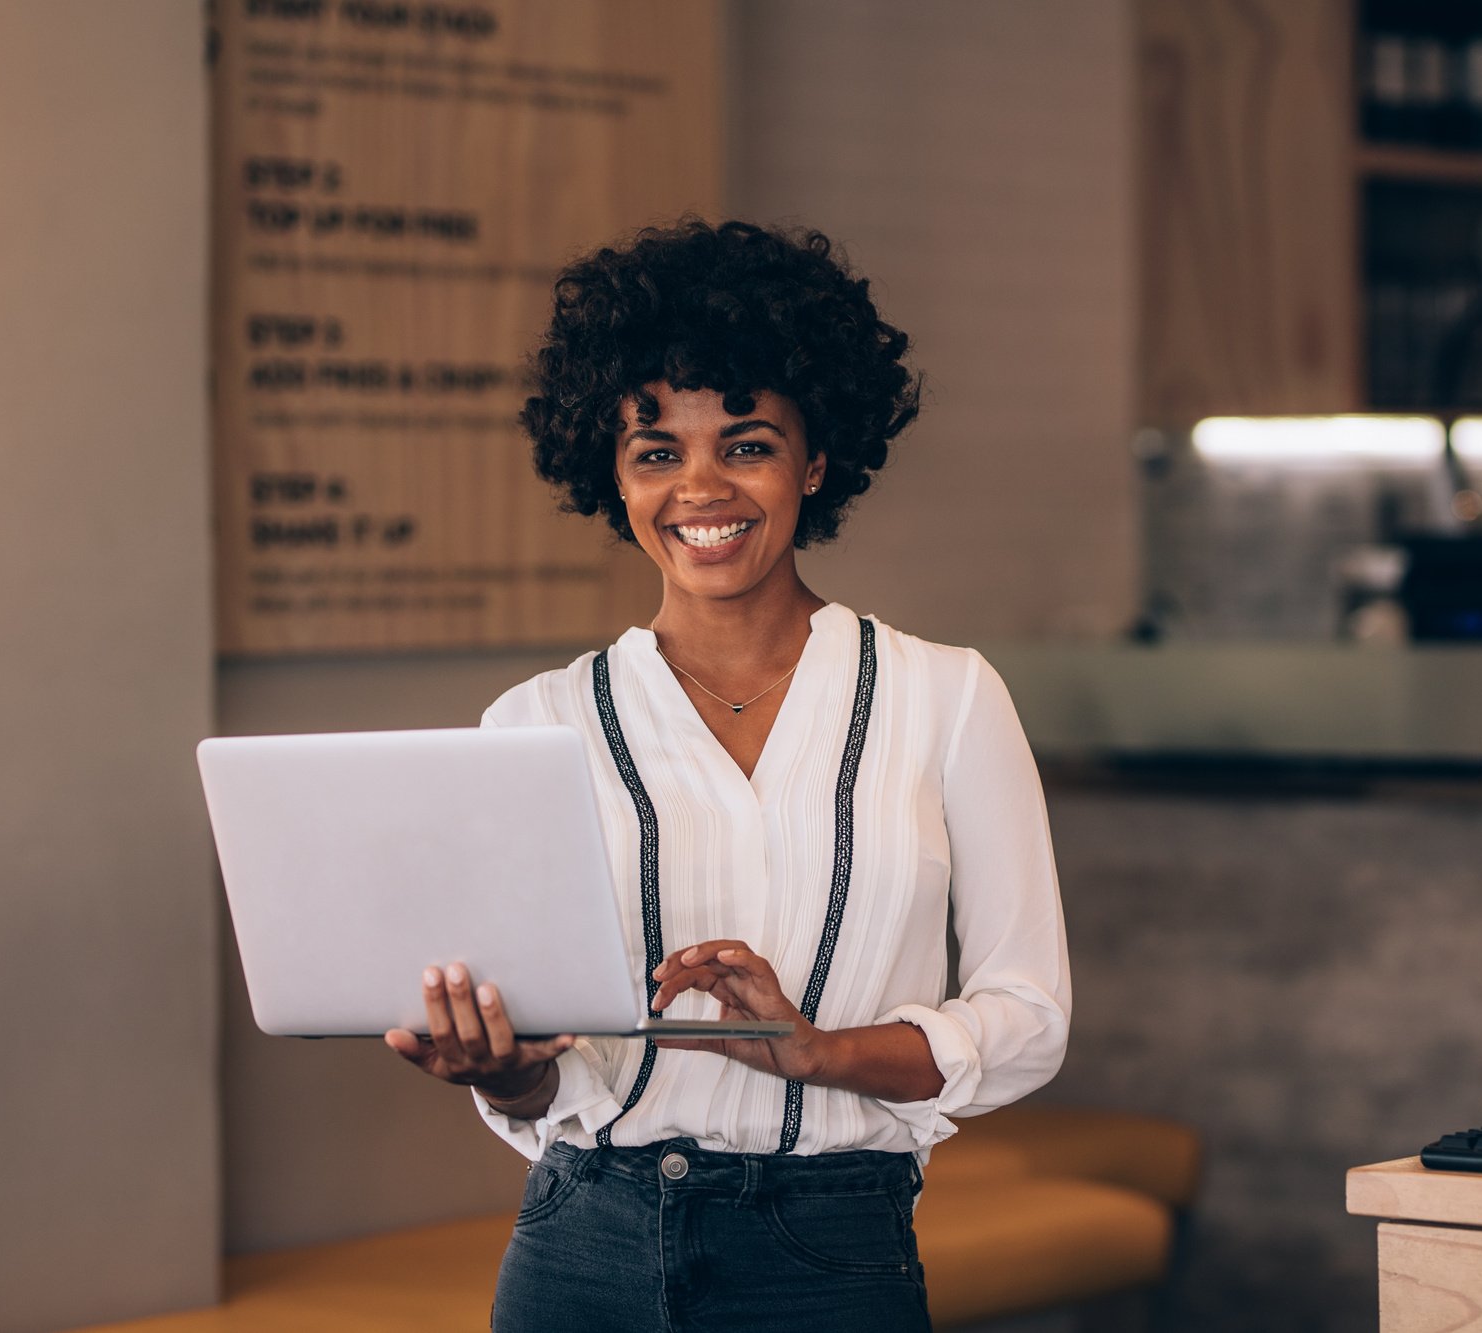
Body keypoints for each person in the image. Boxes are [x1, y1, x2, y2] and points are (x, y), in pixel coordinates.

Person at [383, 219, 1072, 1332]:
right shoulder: (535, 722)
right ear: (613, 480)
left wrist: (816, 1051)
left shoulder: (945, 697)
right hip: (581, 1246)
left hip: (829, 1250)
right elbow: (550, 1082)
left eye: (745, 443)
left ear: (814, 459)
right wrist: (499, 1072)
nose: (700, 487)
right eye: (656, 452)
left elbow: (1027, 1016)